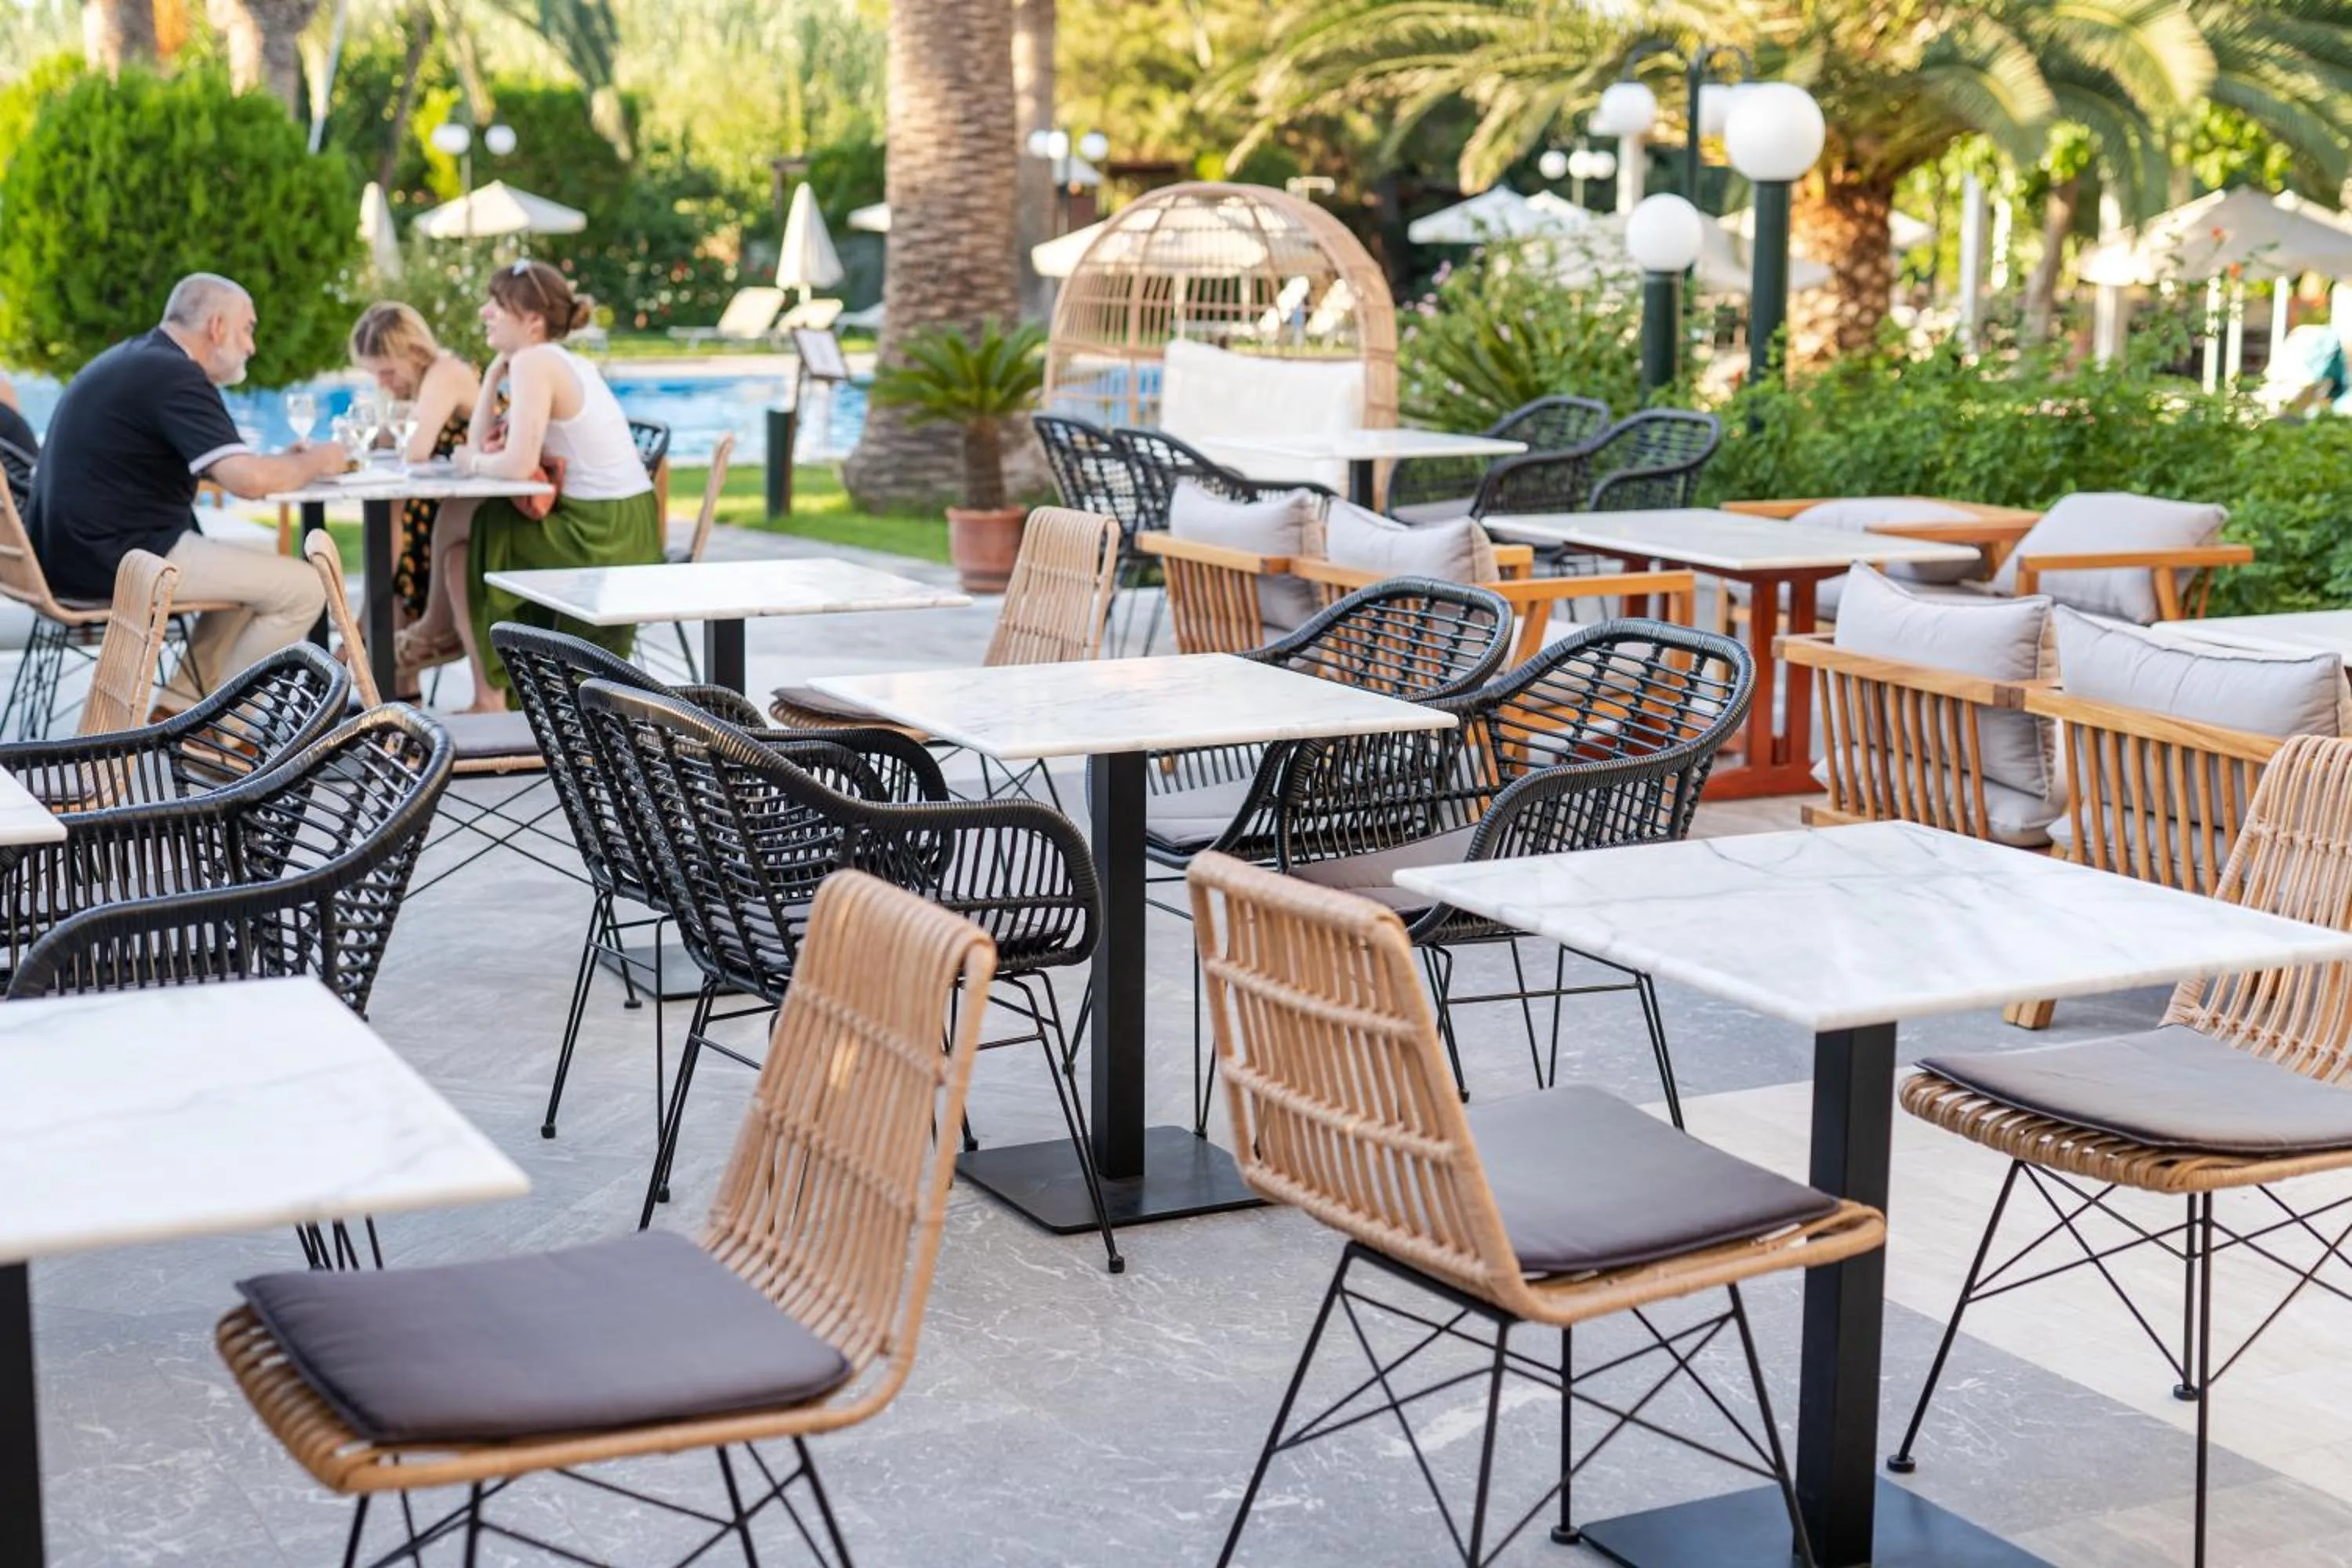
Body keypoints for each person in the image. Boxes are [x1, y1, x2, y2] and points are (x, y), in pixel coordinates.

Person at [24, 274, 340, 705]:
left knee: (259, 577)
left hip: (69, 555)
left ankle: (179, 709)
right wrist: (319, 460)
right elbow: (248, 481)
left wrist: (285, 463)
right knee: (307, 587)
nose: (251, 345)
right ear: (217, 326)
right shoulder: (176, 375)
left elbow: (213, 466)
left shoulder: (137, 360)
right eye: (248, 328)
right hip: (121, 559)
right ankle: (219, 732)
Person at [442, 261, 658, 712]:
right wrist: (489, 381)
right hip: (627, 521)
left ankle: (487, 688)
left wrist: (474, 461)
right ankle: (488, 683)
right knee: (466, 529)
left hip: (602, 533)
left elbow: (516, 464)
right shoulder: (553, 360)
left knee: (478, 528)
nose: (484, 313)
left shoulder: (535, 362)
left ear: (533, 322)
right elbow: (485, 445)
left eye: (497, 306)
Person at [347, 302, 481, 682]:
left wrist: (381, 433)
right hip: (443, 507)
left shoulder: (446, 372)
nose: (382, 384)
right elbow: (388, 439)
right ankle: (397, 691)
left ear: (416, 352)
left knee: (399, 519)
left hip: (479, 512)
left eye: (387, 372)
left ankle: (361, 634)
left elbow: (415, 449)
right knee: (395, 512)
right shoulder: (423, 384)